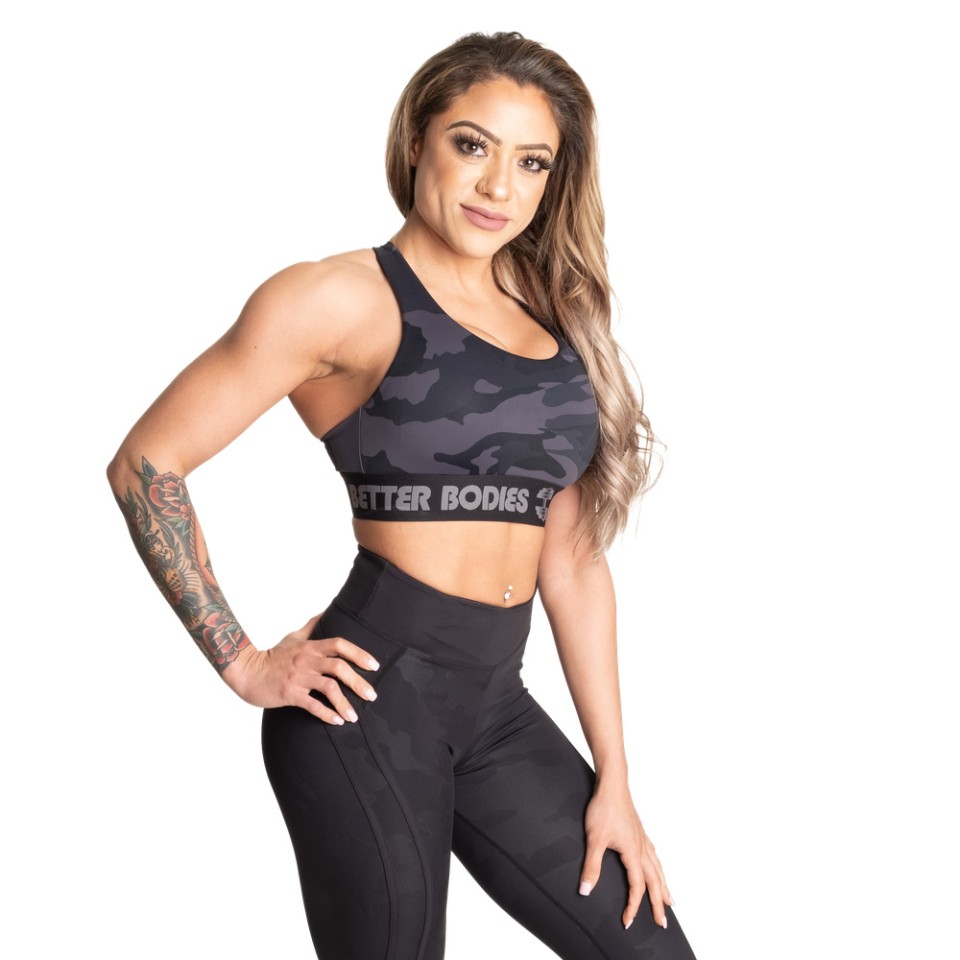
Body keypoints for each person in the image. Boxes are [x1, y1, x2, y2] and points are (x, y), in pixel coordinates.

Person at [107, 30, 698, 960]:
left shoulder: (557, 328)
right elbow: (147, 463)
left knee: (651, 949)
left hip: (499, 709)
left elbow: (574, 565)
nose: (497, 185)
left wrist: (614, 780)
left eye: (531, 162)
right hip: (366, 709)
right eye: (472, 144)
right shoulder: (338, 298)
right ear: (418, 139)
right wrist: (244, 663)